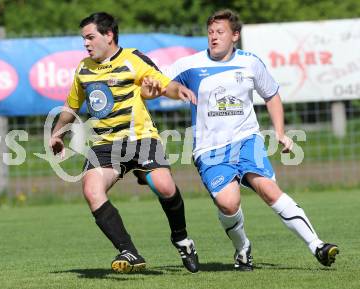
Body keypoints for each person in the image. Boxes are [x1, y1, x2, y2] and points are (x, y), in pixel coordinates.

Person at [141, 9, 339, 271]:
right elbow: (158, 85)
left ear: (235, 35)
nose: (214, 37)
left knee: (269, 190)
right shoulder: (190, 64)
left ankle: (317, 245)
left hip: (247, 140)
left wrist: (280, 132)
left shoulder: (250, 62)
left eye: (220, 32)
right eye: (210, 32)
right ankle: (242, 247)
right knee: (228, 203)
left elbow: (272, 95)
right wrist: (148, 89)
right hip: (209, 149)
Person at [50, 12, 199, 273]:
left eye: (90, 37)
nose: (85, 43)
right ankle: (128, 251)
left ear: (109, 35)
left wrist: (178, 92)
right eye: (83, 39)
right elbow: (70, 107)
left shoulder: (133, 59)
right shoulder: (84, 69)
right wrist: (57, 134)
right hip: (106, 144)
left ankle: (182, 239)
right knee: (91, 189)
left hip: (139, 138)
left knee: (164, 185)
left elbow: (163, 85)